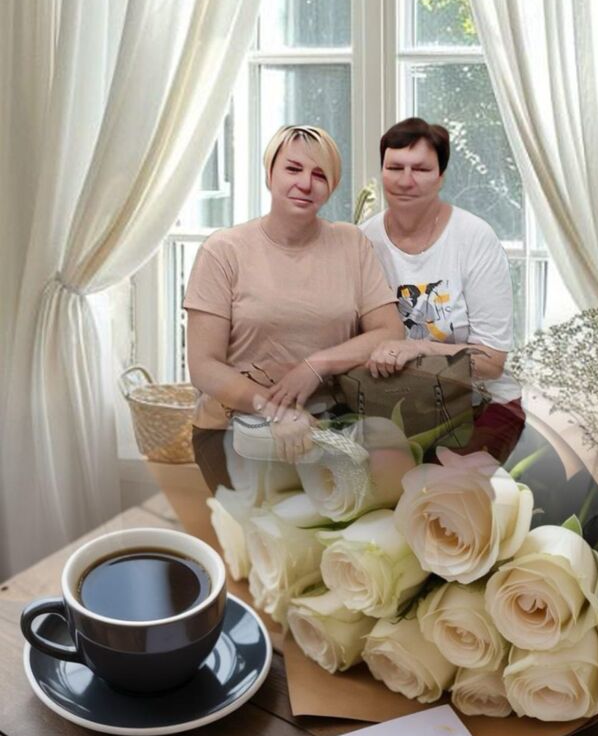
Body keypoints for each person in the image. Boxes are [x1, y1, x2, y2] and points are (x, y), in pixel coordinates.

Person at [184, 124, 403, 488]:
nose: (305, 183)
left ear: (331, 186)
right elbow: (204, 367)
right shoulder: (223, 251)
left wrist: (317, 364)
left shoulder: (351, 243)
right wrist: (275, 410)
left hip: (327, 430)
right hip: (234, 432)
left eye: (319, 175)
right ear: (270, 173)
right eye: (293, 168)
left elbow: (390, 331)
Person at [361, 116, 524, 457]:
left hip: (483, 403)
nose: (406, 180)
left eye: (421, 169)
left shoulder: (474, 237)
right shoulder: (363, 240)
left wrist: (418, 348)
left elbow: (492, 361)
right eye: (395, 167)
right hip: (400, 402)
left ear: (441, 176)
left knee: (442, 484)